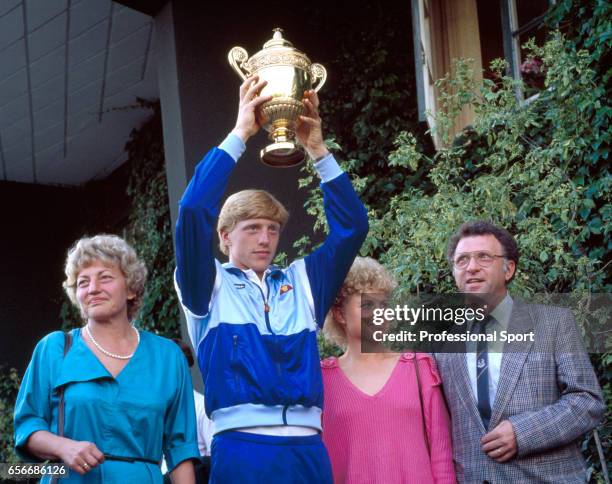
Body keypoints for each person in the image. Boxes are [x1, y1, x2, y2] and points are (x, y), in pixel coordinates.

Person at [174, 75, 368, 483]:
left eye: (272, 229)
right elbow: (192, 212)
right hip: (242, 447)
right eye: (252, 228)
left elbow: (352, 228)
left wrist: (317, 148)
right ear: (225, 236)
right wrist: (242, 132)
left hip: (308, 447)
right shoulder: (206, 284)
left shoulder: (303, 281)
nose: (265, 239)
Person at [14, 235, 199, 483]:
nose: (92, 289)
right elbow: (27, 427)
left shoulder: (168, 357)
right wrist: (63, 447)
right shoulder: (54, 349)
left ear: (132, 289)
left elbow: (181, 448)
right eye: (82, 282)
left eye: (105, 277)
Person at [435, 221, 605, 483]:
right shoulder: (443, 347)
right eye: (462, 260)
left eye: (484, 257)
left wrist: (524, 432)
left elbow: (587, 401)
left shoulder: (554, 324)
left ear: (509, 269)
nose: (471, 267)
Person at [321, 256, 455, 483]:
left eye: (383, 305)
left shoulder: (418, 368)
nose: (379, 313)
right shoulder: (320, 379)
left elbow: (442, 456)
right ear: (340, 314)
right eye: (367, 305)